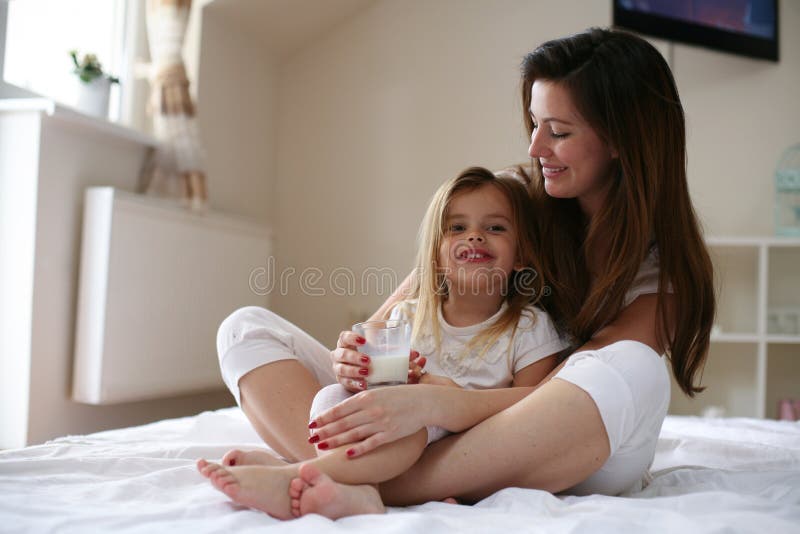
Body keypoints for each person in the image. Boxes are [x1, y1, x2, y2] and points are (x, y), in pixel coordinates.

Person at [209, 26, 715, 518]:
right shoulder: (515, 202)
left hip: (550, 442)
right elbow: (414, 301)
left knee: (635, 367)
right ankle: (345, 476)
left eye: (558, 132)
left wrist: (436, 405)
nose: (536, 148)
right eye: (535, 124)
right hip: (431, 427)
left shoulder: (664, 275)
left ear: (622, 140)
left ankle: (332, 476)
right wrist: (360, 352)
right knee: (245, 329)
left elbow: (550, 398)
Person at [198, 166, 569, 518]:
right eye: (457, 227)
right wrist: (359, 372)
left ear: (521, 255)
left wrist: (443, 399)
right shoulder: (409, 315)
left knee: (407, 426)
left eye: (495, 228)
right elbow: (374, 383)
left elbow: (536, 401)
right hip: (387, 424)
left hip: (447, 442)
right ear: (436, 254)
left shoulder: (528, 326)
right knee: (330, 398)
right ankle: (352, 487)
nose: (474, 235)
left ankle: (294, 475)